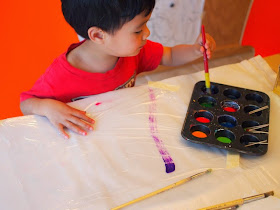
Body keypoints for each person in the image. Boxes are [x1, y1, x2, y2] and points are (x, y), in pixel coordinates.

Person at [20, 0, 216, 139]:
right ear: (98, 35)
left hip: (123, 132)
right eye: (138, 30)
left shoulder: (132, 52)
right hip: (86, 143)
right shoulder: (62, 75)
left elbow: (170, 55)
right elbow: (27, 103)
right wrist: (47, 107)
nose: (147, 33)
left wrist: (195, 50)